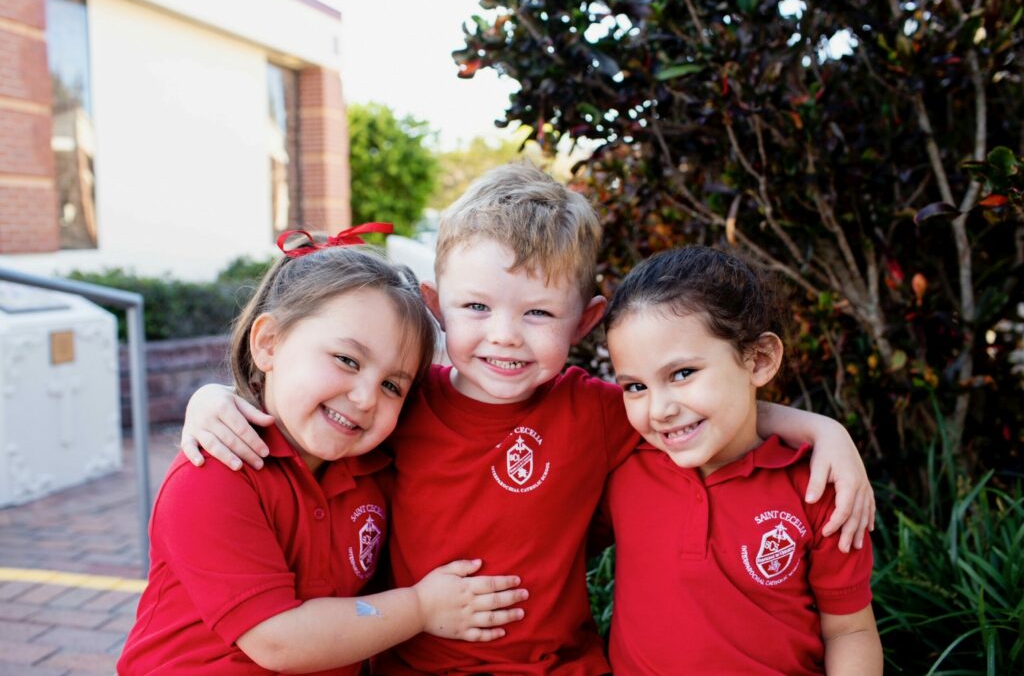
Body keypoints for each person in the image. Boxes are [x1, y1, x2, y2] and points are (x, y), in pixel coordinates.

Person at [180, 164, 875, 675]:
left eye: (538, 313)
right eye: (477, 308)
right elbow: (319, 412)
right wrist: (212, 398)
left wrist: (822, 430)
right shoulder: (400, 403)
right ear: (437, 305)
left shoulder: (597, 411)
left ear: (586, 321)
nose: (504, 336)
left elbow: (688, 408)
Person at [118, 227, 528, 675]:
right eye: (347, 360)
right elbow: (278, 640)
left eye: (392, 386)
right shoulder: (214, 475)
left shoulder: (375, 462)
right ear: (268, 343)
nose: (366, 398)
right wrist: (421, 607)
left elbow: (467, 400)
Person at [602, 246, 882, 674]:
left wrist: (827, 432)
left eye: (682, 374)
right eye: (635, 387)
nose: (659, 410)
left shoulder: (820, 490)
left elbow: (849, 631)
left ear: (759, 359)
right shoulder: (623, 460)